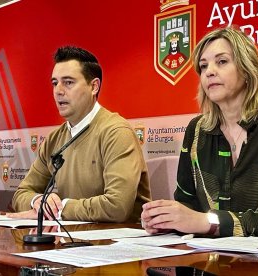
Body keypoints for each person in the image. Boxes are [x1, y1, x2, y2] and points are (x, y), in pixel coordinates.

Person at [141, 27, 258, 239]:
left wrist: (207, 222)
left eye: (221, 62)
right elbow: (187, 204)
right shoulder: (197, 130)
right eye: (203, 66)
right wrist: (168, 220)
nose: (209, 71)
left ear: (247, 70)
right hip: (218, 255)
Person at [8, 46, 151, 222]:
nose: (58, 91)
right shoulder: (54, 139)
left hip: (119, 242)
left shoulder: (116, 132)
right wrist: (38, 201)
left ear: (94, 86)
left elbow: (117, 206)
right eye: (55, 83)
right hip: (72, 240)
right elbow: (21, 194)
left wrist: (59, 209)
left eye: (68, 82)